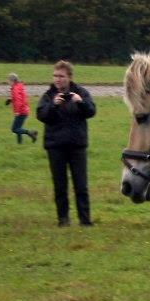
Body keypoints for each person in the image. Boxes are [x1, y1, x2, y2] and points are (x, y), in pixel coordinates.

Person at [36, 60, 96, 227]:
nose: (57, 79)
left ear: (69, 77)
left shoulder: (81, 93)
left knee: (81, 185)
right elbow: (41, 115)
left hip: (77, 145)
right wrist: (53, 106)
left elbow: (91, 111)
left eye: (61, 76)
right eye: (55, 76)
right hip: (55, 146)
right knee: (60, 186)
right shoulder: (48, 96)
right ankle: (63, 220)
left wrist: (80, 102)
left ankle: (85, 220)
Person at [6, 73, 37, 143]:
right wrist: (10, 100)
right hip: (24, 110)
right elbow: (19, 98)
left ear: (12, 81)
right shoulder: (18, 86)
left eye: (8, 81)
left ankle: (31, 133)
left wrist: (17, 111)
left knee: (14, 129)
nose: (8, 82)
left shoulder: (15, 88)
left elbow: (18, 101)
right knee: (18, 128)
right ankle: (19, 143)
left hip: (21, 111)